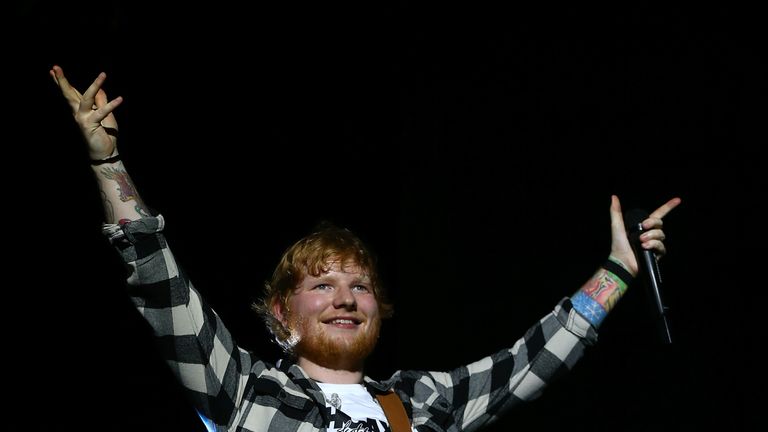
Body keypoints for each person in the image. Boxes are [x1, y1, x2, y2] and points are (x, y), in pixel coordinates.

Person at [50, 64, 681, 432]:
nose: (347, 298)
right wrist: (108, 166)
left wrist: (619, 271)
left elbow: (528, 364)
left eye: (360, 285)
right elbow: (163, 287)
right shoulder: (242, 391)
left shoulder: (418, 403)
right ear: (280, 312)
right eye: (322, 284)